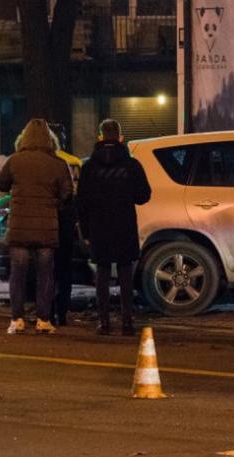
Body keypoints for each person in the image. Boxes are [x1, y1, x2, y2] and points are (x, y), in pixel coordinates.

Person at [0, 119, 72, 335]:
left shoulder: (15, 160)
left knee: (18, 273)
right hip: (46, 228)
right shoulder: (57, 163)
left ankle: (17, 319)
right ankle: (43, 319)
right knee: (45, 274)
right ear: (49, 139)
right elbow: (67, 193)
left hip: (20, 226)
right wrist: (54, 204)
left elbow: (1, 183)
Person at [76, 119, 152, 336]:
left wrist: (86, 231)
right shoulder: (132, 165)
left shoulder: (89, 167)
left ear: (100, 137)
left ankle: (104, 322)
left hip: (99, 226)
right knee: (125, 274)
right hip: (124, 225)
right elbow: (143, 196)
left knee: (102, 274)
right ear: (120, 137)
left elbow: (82, 202)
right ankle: (127, 322)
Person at [48, 122, 83, 326]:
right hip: (67, 220)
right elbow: (77, 193)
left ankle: (47, 310)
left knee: (46, 268)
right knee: (64, 268)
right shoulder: (74, 162)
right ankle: (62, 311)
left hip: (47, 220)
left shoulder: (44, 161)